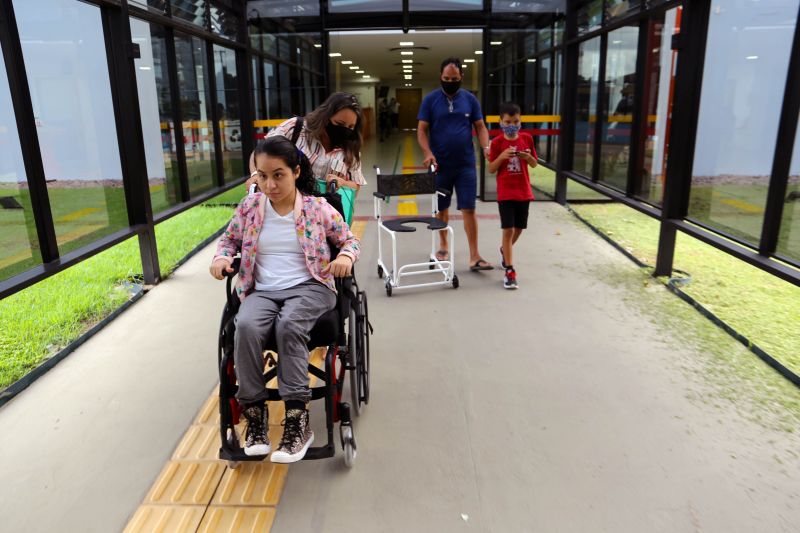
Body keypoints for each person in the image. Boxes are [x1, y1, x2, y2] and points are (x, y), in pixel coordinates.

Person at [210, 135, 360, 463]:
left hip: (311, 286)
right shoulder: (250, 208)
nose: (270, 184)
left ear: (294, 171)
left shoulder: (317, 208)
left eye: (278, 175)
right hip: (261, 289)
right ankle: (257, 416)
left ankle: (297, 421)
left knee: (290, 324)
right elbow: (229, 240)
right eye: (262, 176)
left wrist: (346, 257)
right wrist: (221, 258)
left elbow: (349, 239)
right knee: (245, 325)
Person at [417, 57, 493, 271]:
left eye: (454, 78)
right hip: (440, 165)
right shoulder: (430, 100)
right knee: (442, 209)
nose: (450, 81)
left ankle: (475, 256)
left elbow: (480, 127)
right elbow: (422, 129)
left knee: (469, 208)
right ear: (440, 77)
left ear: (461, 77)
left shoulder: (470, 100)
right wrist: (427, 152)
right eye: (446, 78)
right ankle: (442, 246)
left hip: (466, 165)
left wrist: (486, 147)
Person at [246, 92, 366, 192]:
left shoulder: (351, 148)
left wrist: (343, 183)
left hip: (326, 215)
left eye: (350, 127)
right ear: (326, 117)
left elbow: (356, 186)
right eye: (339, 124)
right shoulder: (296, 128)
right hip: (286, 209)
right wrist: (256, 175)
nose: (344, 130)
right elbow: (260, 152)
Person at [487, 102, 538, 290]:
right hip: (506, 193)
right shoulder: (498, 143)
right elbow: (491, 168)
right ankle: (509, 270)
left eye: (515, 121)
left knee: (519, 228)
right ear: (500, 121)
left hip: (523, 191)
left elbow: (534, 164)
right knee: (507, 230)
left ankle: (504, 250)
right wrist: (501, 156)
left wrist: (527, 157)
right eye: (508, 121)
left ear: (520, 120)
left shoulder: (526, 138)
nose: (512, 125)